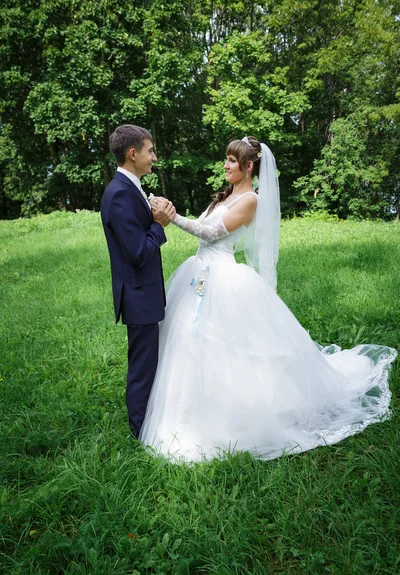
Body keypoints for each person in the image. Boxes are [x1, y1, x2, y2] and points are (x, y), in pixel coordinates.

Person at [140, 136, 397, 462]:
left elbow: (211, 233)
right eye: (227, 159)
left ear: (249, 166)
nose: (226, 165)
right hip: (199, 274)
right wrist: (170, 209)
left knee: (224, 347)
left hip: (222, 278)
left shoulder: (250, 200)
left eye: (232, 161)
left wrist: (172, 216)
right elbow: (205, 224)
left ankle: (233, 416)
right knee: (187, 340)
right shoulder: (227, 195)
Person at [100, 124, 175, 438]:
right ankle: (141, 431)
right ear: (133, 154)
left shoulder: (129, 188)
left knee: (147, 362)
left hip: (142, 294)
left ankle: (146, 421)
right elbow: (138, 252)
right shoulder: (119, 193)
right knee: (142, 368)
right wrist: (159, 224)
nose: (154, 157)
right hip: (138, 296)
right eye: (150, 150)